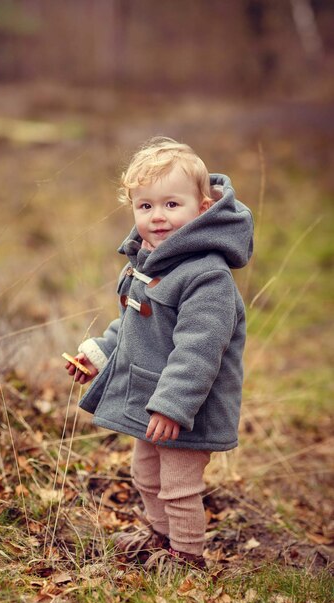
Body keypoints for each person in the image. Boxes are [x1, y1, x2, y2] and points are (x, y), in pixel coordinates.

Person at [65, 137, 253, 569]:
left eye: (172, 204)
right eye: (145, 206)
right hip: (153, 403)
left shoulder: (207, 276)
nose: (158, 217)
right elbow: (135, 325)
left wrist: (172, 407)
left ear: (203, 208)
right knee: (145, 475)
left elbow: (198, 351)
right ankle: (159, 536)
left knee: (178, 485)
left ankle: (187, 557)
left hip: (187, 407)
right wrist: (98, 354)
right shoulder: (148, 261)